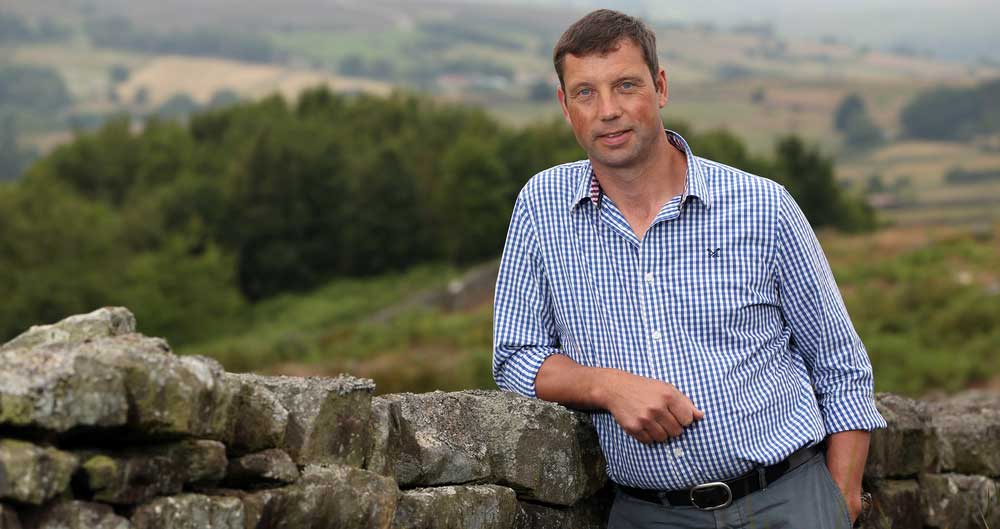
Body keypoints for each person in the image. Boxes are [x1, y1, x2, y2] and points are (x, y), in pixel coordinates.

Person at [492, 9, 885, 528]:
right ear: (566, 106)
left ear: (660, 86)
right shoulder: (542, 208)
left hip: (787, 502)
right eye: (586, 93)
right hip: (645, 513)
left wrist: (841, 499)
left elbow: (842, 367)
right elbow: (515, 356)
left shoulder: (762, 206)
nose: (608, 110)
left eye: (625, 85)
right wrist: (608, 387)